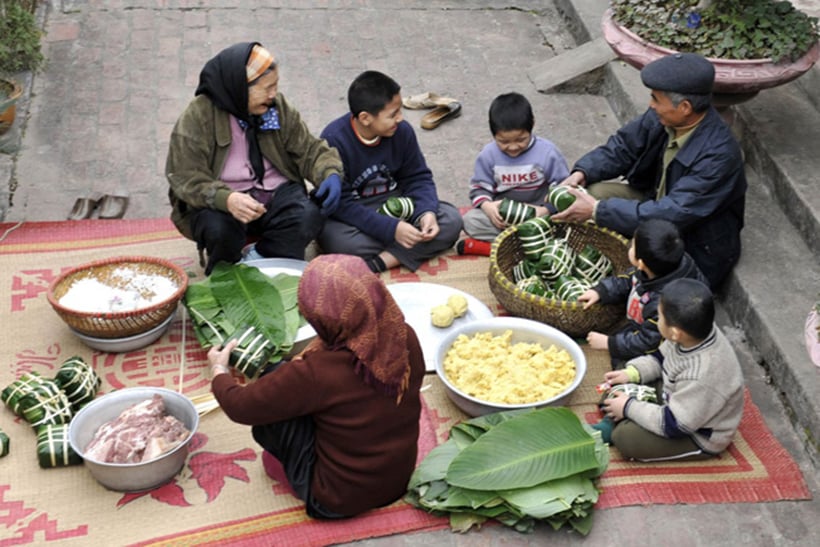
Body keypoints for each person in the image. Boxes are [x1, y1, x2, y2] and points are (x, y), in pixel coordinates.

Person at [207, 254, 425, 518]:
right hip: (397, 480)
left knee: (272, 398)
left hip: (335, 498)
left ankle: (288, 472)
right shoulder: (405, 335)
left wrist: (219, 370)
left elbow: (240, 406)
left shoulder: (317, 372)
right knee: (286, 383)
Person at [551, 52, 746, 290]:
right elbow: (622, 147)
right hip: (654, 201)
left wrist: (598, 211)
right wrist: (582, 172)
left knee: (638, 267)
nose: (651, 104)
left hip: (691, 239)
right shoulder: (663, 117)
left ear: (685, 107)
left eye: (656, 99)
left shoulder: (719, 155)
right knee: (593, 191)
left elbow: (672, 213)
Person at [166, 42, 344, 275]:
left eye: (275, 86)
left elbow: (309, 149)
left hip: (274, 192)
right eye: (266, 88)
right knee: (219, 230)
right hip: (223, 200)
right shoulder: (198, 117)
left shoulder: (277, 107)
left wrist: (329, 172)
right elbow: (184, 176)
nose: (273, 94)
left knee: (309, 215)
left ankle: (263, 256)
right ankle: (227, 269)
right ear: (240, 88)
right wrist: (226, 199)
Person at [318, 70, 463, 273]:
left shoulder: (402, 132)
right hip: (358, 211)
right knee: (336, 240)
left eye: (400, 111)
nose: (400, 118)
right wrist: (391, 230)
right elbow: (342, 204)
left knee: (451, 220)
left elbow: (418, 177)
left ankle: (381, 262)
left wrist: (426, 212)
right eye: (393, 114)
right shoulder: (334, 140)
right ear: (365, 118)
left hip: (399, 205)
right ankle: (407, 248)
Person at [595, 278, 744, 461]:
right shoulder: (694, 331)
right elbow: (661, 358)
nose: (657, 320)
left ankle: (620, 418)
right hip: (674, 394)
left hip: (693, 432)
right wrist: (631, 374)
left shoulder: (702, 374)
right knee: (624, 370)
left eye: (660, 316)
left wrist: (629, 407)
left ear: (675, 333)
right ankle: (623, 412)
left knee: (625, 438)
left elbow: (674, 424)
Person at [579, 218, 707, 369]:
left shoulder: (662, 304)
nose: (630, 246)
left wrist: (610, 343)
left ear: (641, 263)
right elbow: (628, 279)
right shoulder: (664, 265)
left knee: (623, 365)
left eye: (633, 245)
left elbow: (647, 341)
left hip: (658, 347)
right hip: (641, 325)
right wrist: (601, 291)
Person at [459, 92, 570, 256]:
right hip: (505, 218)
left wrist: (545, 210)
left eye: (521, 139)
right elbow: (478, 189)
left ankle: (506, 247)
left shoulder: (548, 153)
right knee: (471, 221)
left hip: (539, 215)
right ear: (493, 133)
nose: (513, 147)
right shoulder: (488, 155)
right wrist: (488, 207)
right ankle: (528, 245)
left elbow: (564, 188)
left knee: (567, 223)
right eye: (503, 142)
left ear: (532, 125)